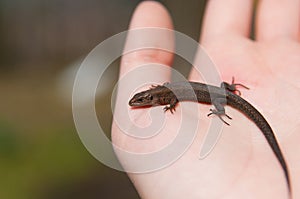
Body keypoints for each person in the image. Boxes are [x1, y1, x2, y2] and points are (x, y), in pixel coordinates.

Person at [112, 1, 300, 198]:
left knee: (221, 101)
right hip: (220, 92)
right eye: (139, 100)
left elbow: (174, 98)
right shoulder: (162, 92)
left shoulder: (166, 94)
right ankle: (230, 89)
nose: (138, 103)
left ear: (150, 97)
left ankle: (223, 103)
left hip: (220, 97)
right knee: (223, 91)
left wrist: (171, 106)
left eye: (140, 100)